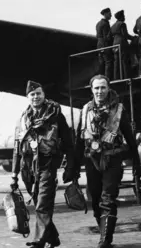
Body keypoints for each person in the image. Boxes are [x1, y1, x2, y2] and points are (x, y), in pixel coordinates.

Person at [75, 75, 141, 248]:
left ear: (108, 88)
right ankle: (104, 232)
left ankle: (105, 240)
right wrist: (73, 167)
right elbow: (78, 140)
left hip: (112, 159)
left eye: (103, 88)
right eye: (96, 88)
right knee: (95, 199)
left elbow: (130, 137)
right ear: (91, 90)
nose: (99, 91)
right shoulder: (85, 110)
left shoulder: (118, 109)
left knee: (108, 198)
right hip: (92, 160)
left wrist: (137, 163)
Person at [10, 80, 77, 248]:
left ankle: (38, 240)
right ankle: (53, 238)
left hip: (47, 165)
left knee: (42, 204)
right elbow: (17, 149)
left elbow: (69, 143)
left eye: (38, 93)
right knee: (41, 203)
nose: (36, 97)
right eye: (32, 94)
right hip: (27, 168)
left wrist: (71, 167)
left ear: (44, 95)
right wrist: (14, 174)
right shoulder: (22, 119)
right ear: (27, 97)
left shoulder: (56, 116)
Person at [111, 10, 134, 80]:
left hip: (114, 45)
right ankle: (127, 77)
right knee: (125, 61)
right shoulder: (122, 24)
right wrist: (133, 38)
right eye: (123, 16)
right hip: (122, 44)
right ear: (121, 17)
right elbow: (125, 35)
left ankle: (116, 78)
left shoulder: (113, 26)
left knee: (116, 63)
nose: (124, 18)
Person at [96, 8, 114, 78]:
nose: (111, 15)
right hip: (105, 45)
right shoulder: (105, 23)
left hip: (99, 45)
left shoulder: (98, 24)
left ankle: (100, 78)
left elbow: (98, 36)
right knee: (108, 62)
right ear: (105, 14)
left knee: (101, 63)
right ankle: (107, 79)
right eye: (109, 14)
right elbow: (107, 37)